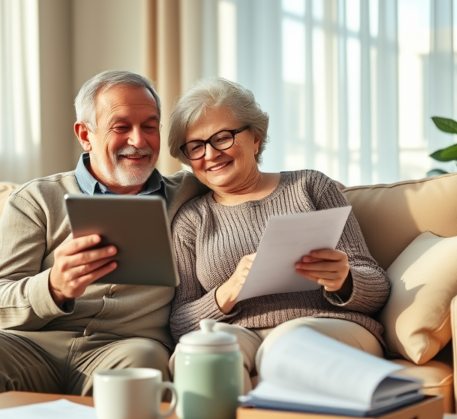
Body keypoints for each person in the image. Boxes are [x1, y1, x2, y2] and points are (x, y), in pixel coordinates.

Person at [0, 70, 206, 405]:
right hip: (37, 345)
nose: (139, 141)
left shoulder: (189, 193)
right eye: (121, 127)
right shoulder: (36, 199)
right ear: (85, 134)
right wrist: (53, 287)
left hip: (126, 347)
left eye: (149, 126)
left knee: (142, 363)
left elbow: (246, 184)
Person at [166, 77, 390, 391]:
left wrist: (346, 279)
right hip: (239, 333)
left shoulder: (310, 187)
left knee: (286, 345)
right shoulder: (192, 219)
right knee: (199, 353)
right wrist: (227, 292)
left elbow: (378, 288)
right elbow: (179, 322)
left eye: (223, 138)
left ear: (255, 138)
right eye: (196, 146)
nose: (211, 154)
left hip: (325, 327)